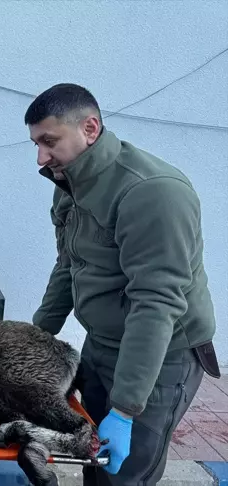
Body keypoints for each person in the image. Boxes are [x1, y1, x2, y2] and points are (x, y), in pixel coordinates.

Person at [26, 83, 220, 485]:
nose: (41, 157)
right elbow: (69, 265)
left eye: (49, 141)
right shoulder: (70, 184)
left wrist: (127, 408)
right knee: (94, 464)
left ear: (90, 129)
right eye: (36, 144)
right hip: (102, 344)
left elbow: (156, 303)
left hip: (161, 356)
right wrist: (32, 338)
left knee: (126, 475)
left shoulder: (151, 192)